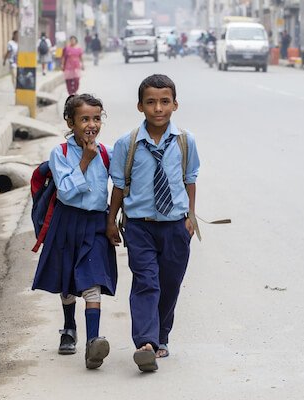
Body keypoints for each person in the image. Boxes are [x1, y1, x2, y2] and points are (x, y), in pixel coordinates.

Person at [107, 74, 200, 372]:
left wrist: (191, 217)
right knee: (146, 281)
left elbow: (190, 180)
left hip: (175, 226)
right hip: (140, 226)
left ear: (175, 104)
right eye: (151, 102)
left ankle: (161, 337)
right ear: (140, 106)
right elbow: (119, 187)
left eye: (164, 101)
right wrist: (112, 221)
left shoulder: (185, 141)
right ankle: (145, 343)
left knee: (170, 284)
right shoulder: (127, 144)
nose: (158, 108)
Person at [32, 93, 117, 370]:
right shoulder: (61, 153)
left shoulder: (105, 153)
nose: (91, 125)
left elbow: (123, 180)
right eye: (84, 119)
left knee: (92, 281)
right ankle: (69, 327)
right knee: (67, 280)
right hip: (66, 221)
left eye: (96, 118)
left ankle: (94, 343)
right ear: (71, 121)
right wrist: (84, 162)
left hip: (94, 224)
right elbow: (66, 192)